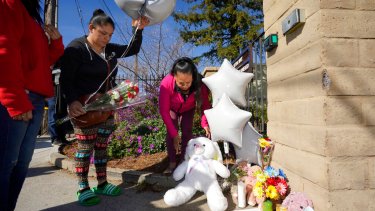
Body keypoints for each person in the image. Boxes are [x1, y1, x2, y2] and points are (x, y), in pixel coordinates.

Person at [60, 9, 149, 206]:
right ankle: (83, 187)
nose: (106, 39)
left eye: (110, 35)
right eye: (102, 34)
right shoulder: (77, 49)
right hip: (83, 110)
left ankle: (101, 183)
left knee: (102, 146)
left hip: (107, 107)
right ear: (91, 28)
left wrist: (138, 29)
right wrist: (72, 101)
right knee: (85, 148)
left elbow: (132, 49)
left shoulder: (109, 50)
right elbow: (66, 80)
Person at [0, 0, 64, 210]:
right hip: (19, 96)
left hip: (34, 98)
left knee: (20, 165)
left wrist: (55, 43)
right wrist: (14, 98)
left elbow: (39, 61)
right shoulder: (9, 4)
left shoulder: (31, 15)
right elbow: (4, 48)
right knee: (6, 165)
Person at [159, 57, 212, 174]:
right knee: (171, 132)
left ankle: (184, 160)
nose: (185, 86)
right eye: (181, 83)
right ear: (174, 77)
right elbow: (163, 110)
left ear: (193, 76)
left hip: (188, 109)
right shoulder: (166, 83)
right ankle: (172, 162)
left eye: (188, 82)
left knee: (187, 131)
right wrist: (174, 134)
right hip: (171, 109)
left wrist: (205, 123)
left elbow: (205, 106)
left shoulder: (200, 83)